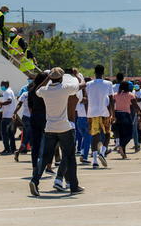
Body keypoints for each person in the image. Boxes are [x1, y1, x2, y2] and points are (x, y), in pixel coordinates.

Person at [29, 67, 85, 197]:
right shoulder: (65, 88)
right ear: (61, 78)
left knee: (45, 157)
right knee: (70, 157)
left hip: (50, 127)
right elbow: (82, 85)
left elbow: (36, 89)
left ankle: (35, 180)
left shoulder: (45, 91)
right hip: (65, 127)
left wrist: (48, 78)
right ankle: (74, 186)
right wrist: (78, 75)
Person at [85, 65, 114, 169]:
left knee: (94, 136)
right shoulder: (108, 83)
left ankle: (94, 160)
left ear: (94, 72)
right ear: (103, 73)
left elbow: (86, 99)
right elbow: (111, 99)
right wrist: (113, 113)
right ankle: (102, 152)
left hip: (92, 113)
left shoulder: (88, 84)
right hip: (104, 112)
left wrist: (86, 112)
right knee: (107, 134)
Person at [28, 72, 48, 177]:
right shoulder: (44, 91)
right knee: (45, 145)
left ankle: (35, 167)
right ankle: (44, 166)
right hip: (45, 119)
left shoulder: (31, 91)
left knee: (35, 145)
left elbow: (30, 107)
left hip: (34, 117)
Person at [112, 81, 139, 159]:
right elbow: (135, 105)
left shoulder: (115, 95)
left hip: (117, 114)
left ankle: (123, 153)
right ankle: (121, 146)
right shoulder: (130, 95)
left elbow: (111, 105)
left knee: (121, 135)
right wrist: (140, 112)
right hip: (126, 115)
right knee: (129, 134)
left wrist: (112, 114)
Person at [0, 81, 17, 155]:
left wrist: (1, 103)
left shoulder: (7, 92)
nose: (1, 86)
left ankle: (7, 149)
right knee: (10, 134)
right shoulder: (10, 91)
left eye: (2, 85)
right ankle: (13, 149)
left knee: (4, 133)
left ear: (6, 85)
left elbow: (9, 101)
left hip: (7, 116)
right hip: (10, 115)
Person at [13, 88, 31, 161]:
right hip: (32, 117)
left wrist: (15, 112)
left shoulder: (24, 94)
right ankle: (36, 156)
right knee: (33, 136)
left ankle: (18, 152)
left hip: (25, 117)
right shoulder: (36, 93)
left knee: (26, 136)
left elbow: (19, 104)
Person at [75, 82, 92, 164]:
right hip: (86, 119)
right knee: (88, 139)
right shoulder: (87, 100)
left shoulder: (78, 100)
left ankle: (82, 154)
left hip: (79, 119)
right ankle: (84, 157)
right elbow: (87, 110)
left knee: (85, 138)